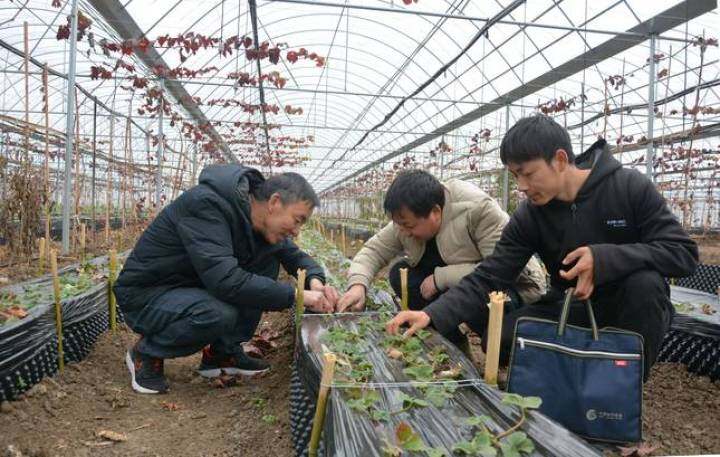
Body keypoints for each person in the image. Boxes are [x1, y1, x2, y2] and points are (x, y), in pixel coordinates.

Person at [387, 115, 698, 380]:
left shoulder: (628, 187)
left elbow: (682, 254)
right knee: (505, 335)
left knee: (645, 284)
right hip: (568, 305)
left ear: (560, 160)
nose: (521, 186)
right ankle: (570, 374)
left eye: (528, 174)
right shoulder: (530, 216)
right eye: (515, 175)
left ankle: (622, 383)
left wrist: (605, 257)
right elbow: (491, 275)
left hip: (626, 306)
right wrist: (431, 315)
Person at [114, 165, 339, 394]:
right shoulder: (206, 204)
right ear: (274, 202)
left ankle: (222, 354)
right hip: (147, 294)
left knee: (267, 260)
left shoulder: (256, 221)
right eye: (298, 220)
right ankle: (147, 353)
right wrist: (298, 296)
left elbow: (293, 255)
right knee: (216, 313)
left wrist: (315, 281)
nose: (297, 231)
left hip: (186, 288)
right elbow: (226, 281)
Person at [337, 169, 546, 345]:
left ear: (435, 212)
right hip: (462, 283)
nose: (405, 232)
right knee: (401, 275)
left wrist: (441, 278)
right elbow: (373, 250)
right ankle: (450, 345)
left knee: (487, 321)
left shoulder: (477, 208)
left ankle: (502, 352)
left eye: (409, 225)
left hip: (513, 287)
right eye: (400, 225)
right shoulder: (406, 219)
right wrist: (358, 285)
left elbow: (501, 270)